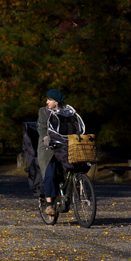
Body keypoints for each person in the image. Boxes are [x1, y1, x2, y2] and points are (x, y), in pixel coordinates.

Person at [35, 88, 85, 219]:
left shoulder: (68, 112)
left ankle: (74, 193)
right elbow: (41, 127)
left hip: (66, 146)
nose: (47, 102)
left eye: (49, 100)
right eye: (47, 99)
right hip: (49, 148)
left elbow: (76, 125)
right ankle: (49, 204)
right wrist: (46, 138)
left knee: (78, 167)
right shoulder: (44, 111)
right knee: (50, 174)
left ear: (56, 102)